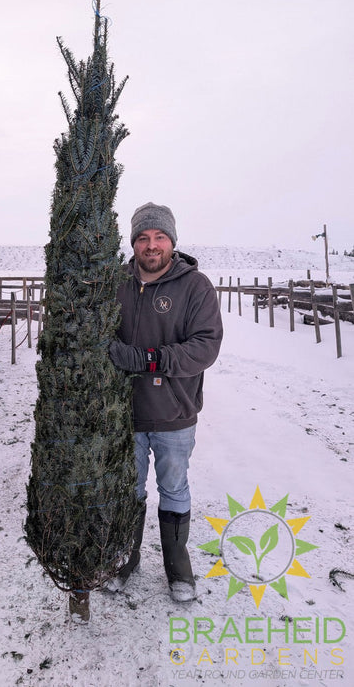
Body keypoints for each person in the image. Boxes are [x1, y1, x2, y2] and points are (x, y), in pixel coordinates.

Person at [107, 202, 223, 602]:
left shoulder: (195, 286)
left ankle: (178, 566)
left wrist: (150, 359)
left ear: (172, 242)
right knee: (129, 488)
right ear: (134, 242)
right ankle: (126, 557)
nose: (151, 245)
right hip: (125, 413)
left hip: (175, 413)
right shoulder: (115, 283)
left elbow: (205, 346)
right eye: (143, 238)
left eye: (159, 237)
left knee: (173, 487)